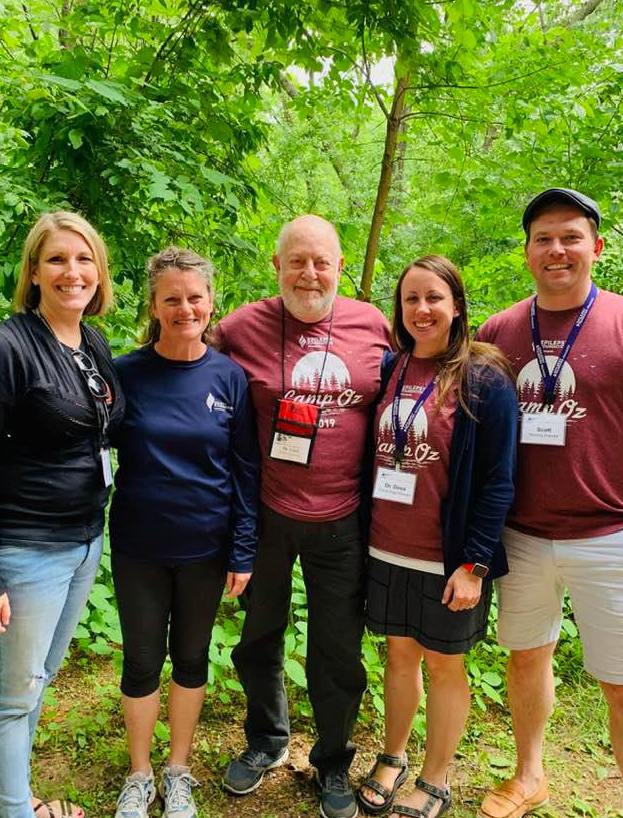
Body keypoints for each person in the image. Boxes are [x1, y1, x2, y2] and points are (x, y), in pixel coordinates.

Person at [215, 214, 391, 818]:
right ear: (277, 266)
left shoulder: (374, 326)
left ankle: (334, 762)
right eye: (297, 260)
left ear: (341, 266)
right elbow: (190, 376)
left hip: (344, 521)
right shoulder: (239, 328)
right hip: (265, 514)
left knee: (337, 652)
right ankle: (266, 739)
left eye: (322, 261)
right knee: (258, 635)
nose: (310, 273)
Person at [476, 188, 623, 818]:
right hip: (524, 534)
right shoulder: (499, 331)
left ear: (596, 244)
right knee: (526, 656)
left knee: (619, 680)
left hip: (609, 532)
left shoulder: (619, 320)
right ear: (528, 251)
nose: (556, 250)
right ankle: (530, 775)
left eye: (570, 236)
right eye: (543, 238)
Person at [356, 255, 518, 818]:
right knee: (398, 657)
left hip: (446, 557)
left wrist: (474, 563)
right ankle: (393, 756)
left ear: (455, 305)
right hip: (385, 544)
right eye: (410, 300)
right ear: (398, 310)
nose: (421, 310)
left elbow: (499, 480)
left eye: (433, 298)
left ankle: (436, 776)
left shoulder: (484, 377)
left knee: (445, 664)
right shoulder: (391, 368)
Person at [109, 247, 259, 818]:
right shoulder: (125, 374)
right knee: (142, 661)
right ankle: (140, 775)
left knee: (191, 658)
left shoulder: (229, 377)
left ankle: (178, 772)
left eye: (194, 297)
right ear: (153, 304)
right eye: (171, 298)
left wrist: (242, 549)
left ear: (211, 300)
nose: (184, 308)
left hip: (206, 547)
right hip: (139, 546)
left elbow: (245, 471)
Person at [0, 212, 124, 818]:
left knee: (36, 682)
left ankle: (15, 796)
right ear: (33, 271)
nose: (71, 272)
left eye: (83, 259)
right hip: (25, 547)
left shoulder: (90, 342)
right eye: (56, 259)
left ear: (98, 272)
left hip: (83, 542)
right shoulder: (10, 344)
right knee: (12, 696)